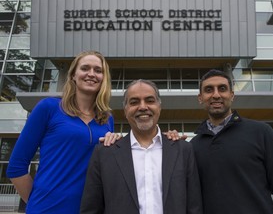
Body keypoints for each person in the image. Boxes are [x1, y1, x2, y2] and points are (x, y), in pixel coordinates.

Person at [6, 51, 118, 214]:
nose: (91, 74)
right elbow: (16, 167)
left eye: (98, 70)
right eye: (85, 68)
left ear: (104, 78)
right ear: (73, 75)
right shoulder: (49, 108)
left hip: (89, 209)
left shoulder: (107, 119)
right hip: (46, 208)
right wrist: (36, 204)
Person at [80, 79, 203, 214]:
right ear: (125, 110)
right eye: (134, 102)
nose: (143, 107)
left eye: (150, 101)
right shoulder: (104, 153)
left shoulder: (183, 150)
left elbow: (194, 206)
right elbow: (91, 208)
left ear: (159, 107)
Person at [191, 69, 273, 213]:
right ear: (200, 98)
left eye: (222, 89)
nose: (216, 95)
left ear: (232, 95)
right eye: (209, 90)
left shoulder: (261, 132)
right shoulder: (193, 146)